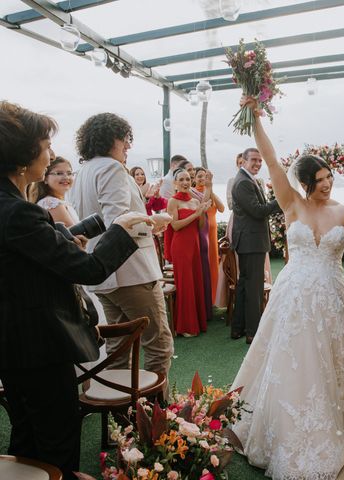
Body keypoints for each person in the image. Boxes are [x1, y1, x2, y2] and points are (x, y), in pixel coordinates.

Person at [231, 96, 344, 480]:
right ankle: (282, 423)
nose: (327, 186)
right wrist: (256, 118)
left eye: (330, 179)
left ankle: (336, 420)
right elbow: (271, 156)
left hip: (331, 292)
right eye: (319, 182)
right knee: (290, 358)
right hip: (294, 294)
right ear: (305, 183)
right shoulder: (291, 204)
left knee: (331, 357)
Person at [0, 100, 150, 479]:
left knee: (27, 433)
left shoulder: (11, 206)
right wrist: (127, 229)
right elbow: (88, 268)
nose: (51, 153)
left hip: (12, 344)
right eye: (46, 145)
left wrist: (96, 225)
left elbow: (39, 247)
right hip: (38, 346)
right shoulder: (18, 211)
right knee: (56, 437)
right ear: (22, 156)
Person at [69, 113, 174, 393]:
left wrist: (147, 225)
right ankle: (154, 419)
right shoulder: (112, 169)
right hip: (131, 274)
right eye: (124, 139)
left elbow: (99, 223)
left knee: (119, 347)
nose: (128, 146)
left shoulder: (83, 172)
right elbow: (118, 223)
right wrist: (154, 221)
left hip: (103, 276)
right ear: (108, 138)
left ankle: (122, 419)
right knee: (158, 343)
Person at [230, 147, 281, 343]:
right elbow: (258, 211)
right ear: (243, 160)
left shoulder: (246, 179)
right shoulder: (243, 182)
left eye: (260, 161)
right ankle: (253, 332)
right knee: (253, 288)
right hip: (252, 242)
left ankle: (238, 328)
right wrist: (280, 200)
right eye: (254, 160)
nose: (258, 164)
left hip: (249, 241)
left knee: (245, 286)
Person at [166, 169, 210, 336]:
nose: (185, 182)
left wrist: (202, 213)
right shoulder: (172, 201)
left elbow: (199, 227)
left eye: (188, 179)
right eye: (182, 180)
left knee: (195, 281)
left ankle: (197, 323)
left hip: (194, 245)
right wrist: (195, 214)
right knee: (185, 284)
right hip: (180, 247)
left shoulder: (194, 201)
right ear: (175, 183)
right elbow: (175, 226)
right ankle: (184, 326)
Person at [192, 167, 225, 311]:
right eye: (199, 176)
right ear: (194, 178)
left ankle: (213, 298)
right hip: (201, 233)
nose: (202, 179)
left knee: (213, 263)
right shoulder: (194, 193)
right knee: (204, 264)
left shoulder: (210, 191)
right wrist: (207, 189)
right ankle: (205, 299)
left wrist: (210, 189)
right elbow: (201, 208)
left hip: (213, 233)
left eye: (204, 176)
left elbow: (222, 208)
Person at [34, 156, 79, 227]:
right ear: (45, 179)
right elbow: (74, 235)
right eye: (59, 173)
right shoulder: (51, 203)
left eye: (69, 173)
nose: (66, 177)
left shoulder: (60, 202)